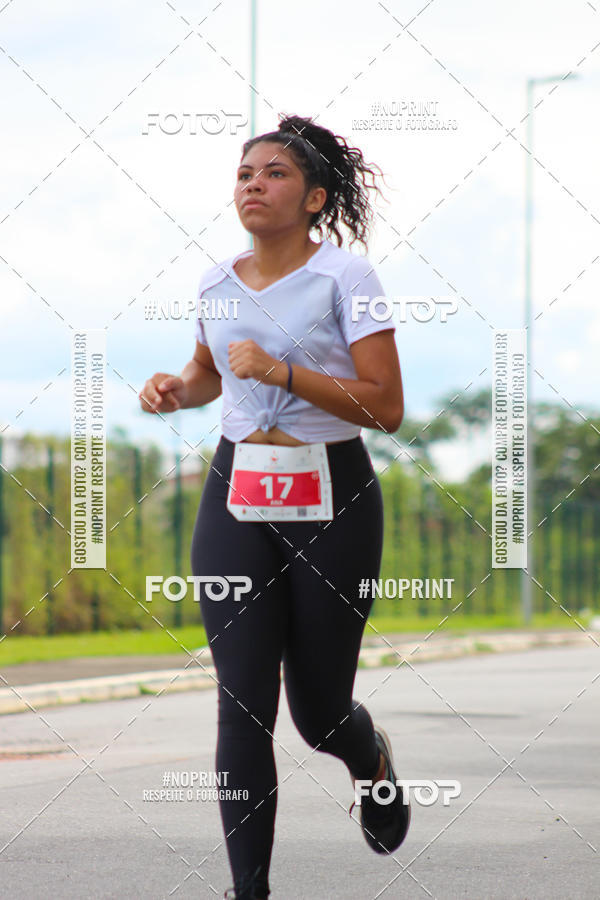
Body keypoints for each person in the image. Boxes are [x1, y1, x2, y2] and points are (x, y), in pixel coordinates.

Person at [139, 113, 409, 900]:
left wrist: (286, 375)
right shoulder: (215, 283)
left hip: (334, 494)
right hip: (238, 490)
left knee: (317, 712)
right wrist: (175, 391)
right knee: (242, 702)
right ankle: (247, 890)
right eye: (245, 174)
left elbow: (387, 405)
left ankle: (371, 762)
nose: (254, 184)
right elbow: (206, 372)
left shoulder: (346, 280)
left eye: (276, 174)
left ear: (316, 197)